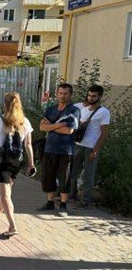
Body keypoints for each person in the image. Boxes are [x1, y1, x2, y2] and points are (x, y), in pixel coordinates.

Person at [0, 92, 35, 236]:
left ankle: (12, 226)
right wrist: (31, 164)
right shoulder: (25, 122)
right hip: (17, 162)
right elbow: (28, 144)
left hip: (2, 161)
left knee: (6, 194)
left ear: (4, 104)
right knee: (6, 190)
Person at [38, 83, 80, 217]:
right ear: (56, 94)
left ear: (70, 95)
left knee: (64, 178)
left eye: (65, 93)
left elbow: (69, 130)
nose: (62, 96)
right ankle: (50, 202)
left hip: (65, 151)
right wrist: (59, 125)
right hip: (49, 148)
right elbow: (42, 127)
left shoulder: (74, 111)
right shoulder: (51, 109)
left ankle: (63, 205)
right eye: (60, 93)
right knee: (47, 176)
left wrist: (50, 126)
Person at [70, 85, 110, 208]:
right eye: (89, 95)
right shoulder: (83, 110)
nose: (91, 98)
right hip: (78, 144)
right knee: (73, 172)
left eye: (94, 96)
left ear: (100, 96)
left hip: (91, 147)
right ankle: (71, 196)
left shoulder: (104, 112)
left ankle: (85, 201)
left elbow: (104, 133)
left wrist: (95, 150)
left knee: (88, 175)